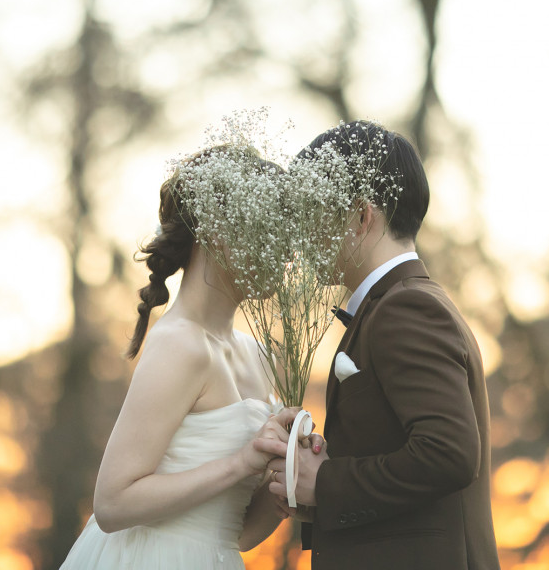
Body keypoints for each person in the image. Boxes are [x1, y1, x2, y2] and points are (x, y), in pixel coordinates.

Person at [257, 121, 502, 570]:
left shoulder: (405, 307)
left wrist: (327, 482)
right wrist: (312, 478)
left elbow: (449, 453)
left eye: (314, 214)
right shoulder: (405, 302)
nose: (304, 237)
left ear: (361, 216)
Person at [59, 152, 296, 569]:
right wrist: (241, 463)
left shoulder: (259, 355)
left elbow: (233, 533)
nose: (285, 249)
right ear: (217, 229)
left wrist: (284, 487)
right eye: (268, 226)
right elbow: (112, 504)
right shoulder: (178, 344)